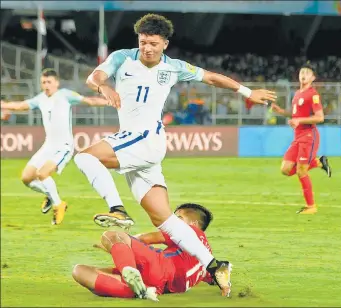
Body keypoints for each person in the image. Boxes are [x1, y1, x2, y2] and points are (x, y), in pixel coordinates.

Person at [73, 13, 275, 296]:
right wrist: (103, 85)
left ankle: (117, 209)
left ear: (165, 44)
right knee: (164, 220)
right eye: (143, 42)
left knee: (84, 157)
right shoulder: (122, 58)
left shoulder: (175, 67)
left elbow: (211, 78)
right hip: (140, 144)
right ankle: (215, 265)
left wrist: (247, 91)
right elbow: (95, 75)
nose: (147, 48)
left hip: (145, 139)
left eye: (154, 43)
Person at [0, 69, 109, 225]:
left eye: (49, 82)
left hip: (63, 146)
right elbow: (21, 106)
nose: (46, 85)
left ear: (56, 83)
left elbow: (90, 101)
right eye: (43, 82)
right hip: (48, 145)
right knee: (26, 178)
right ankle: (51, 197)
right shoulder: (41, 99)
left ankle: (59, 205)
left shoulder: (65, 95)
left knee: (43, 174)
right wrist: (4, 105)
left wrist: (110, 101)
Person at [72, 203, 216, 301]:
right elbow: (214, 276)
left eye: (178, 218)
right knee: (80, 271)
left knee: (110, 235)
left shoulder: (189, 231)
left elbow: (145, 238)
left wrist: (117, 243)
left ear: (194, 224)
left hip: (159, 267)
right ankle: (142, 290)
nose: (173, 223)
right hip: (161, 286)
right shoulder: (207, 260)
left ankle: (131, 276)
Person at [271, 64, 332, 214]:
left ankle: (311, 206)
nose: (303, 75)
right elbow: (295, 115)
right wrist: (281, 112)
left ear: (312, 78)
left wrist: (299, 121)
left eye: (307, 73)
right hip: (297, 137)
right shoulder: (297, 93)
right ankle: (318, 162)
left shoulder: (313, 94)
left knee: (301, 171)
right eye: (301, 72)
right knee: (285, 169)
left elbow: (320, 117)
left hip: (309, 136)